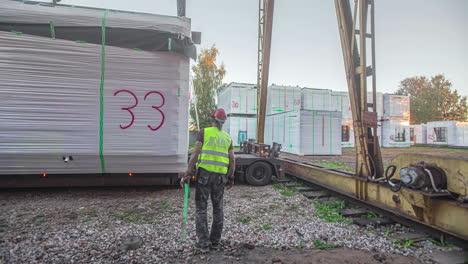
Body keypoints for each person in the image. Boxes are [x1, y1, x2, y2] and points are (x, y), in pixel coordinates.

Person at [180, 108, 236, 253]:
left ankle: (203, 244)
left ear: (213, 120)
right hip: (220, 177)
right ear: (223, 123)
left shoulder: (204, 132)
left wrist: (188, 173)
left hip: (204, 175)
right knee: (218, 210)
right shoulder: (227, 138)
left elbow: (195, 154)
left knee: (201, 209)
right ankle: (215, 242)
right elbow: (232, 160)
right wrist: (230, 176)